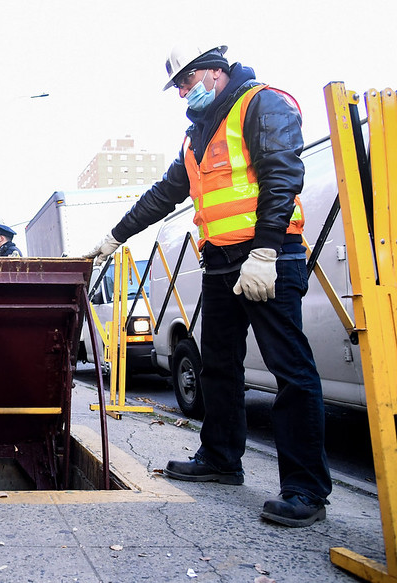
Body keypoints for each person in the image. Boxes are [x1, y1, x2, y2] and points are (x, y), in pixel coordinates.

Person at [86, 44, 331, 527]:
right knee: (218, 365)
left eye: (184, 81)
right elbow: (165, 193)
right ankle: (221, 458)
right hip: (220, 263)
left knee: (292, 372)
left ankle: (306, 489)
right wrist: (116, 235)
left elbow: (283, 176)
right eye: (177, 85)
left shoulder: (262, 104)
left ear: (215, 71)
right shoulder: (196, 135)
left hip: (268, 256)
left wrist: (265, 250)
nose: (181, 92)